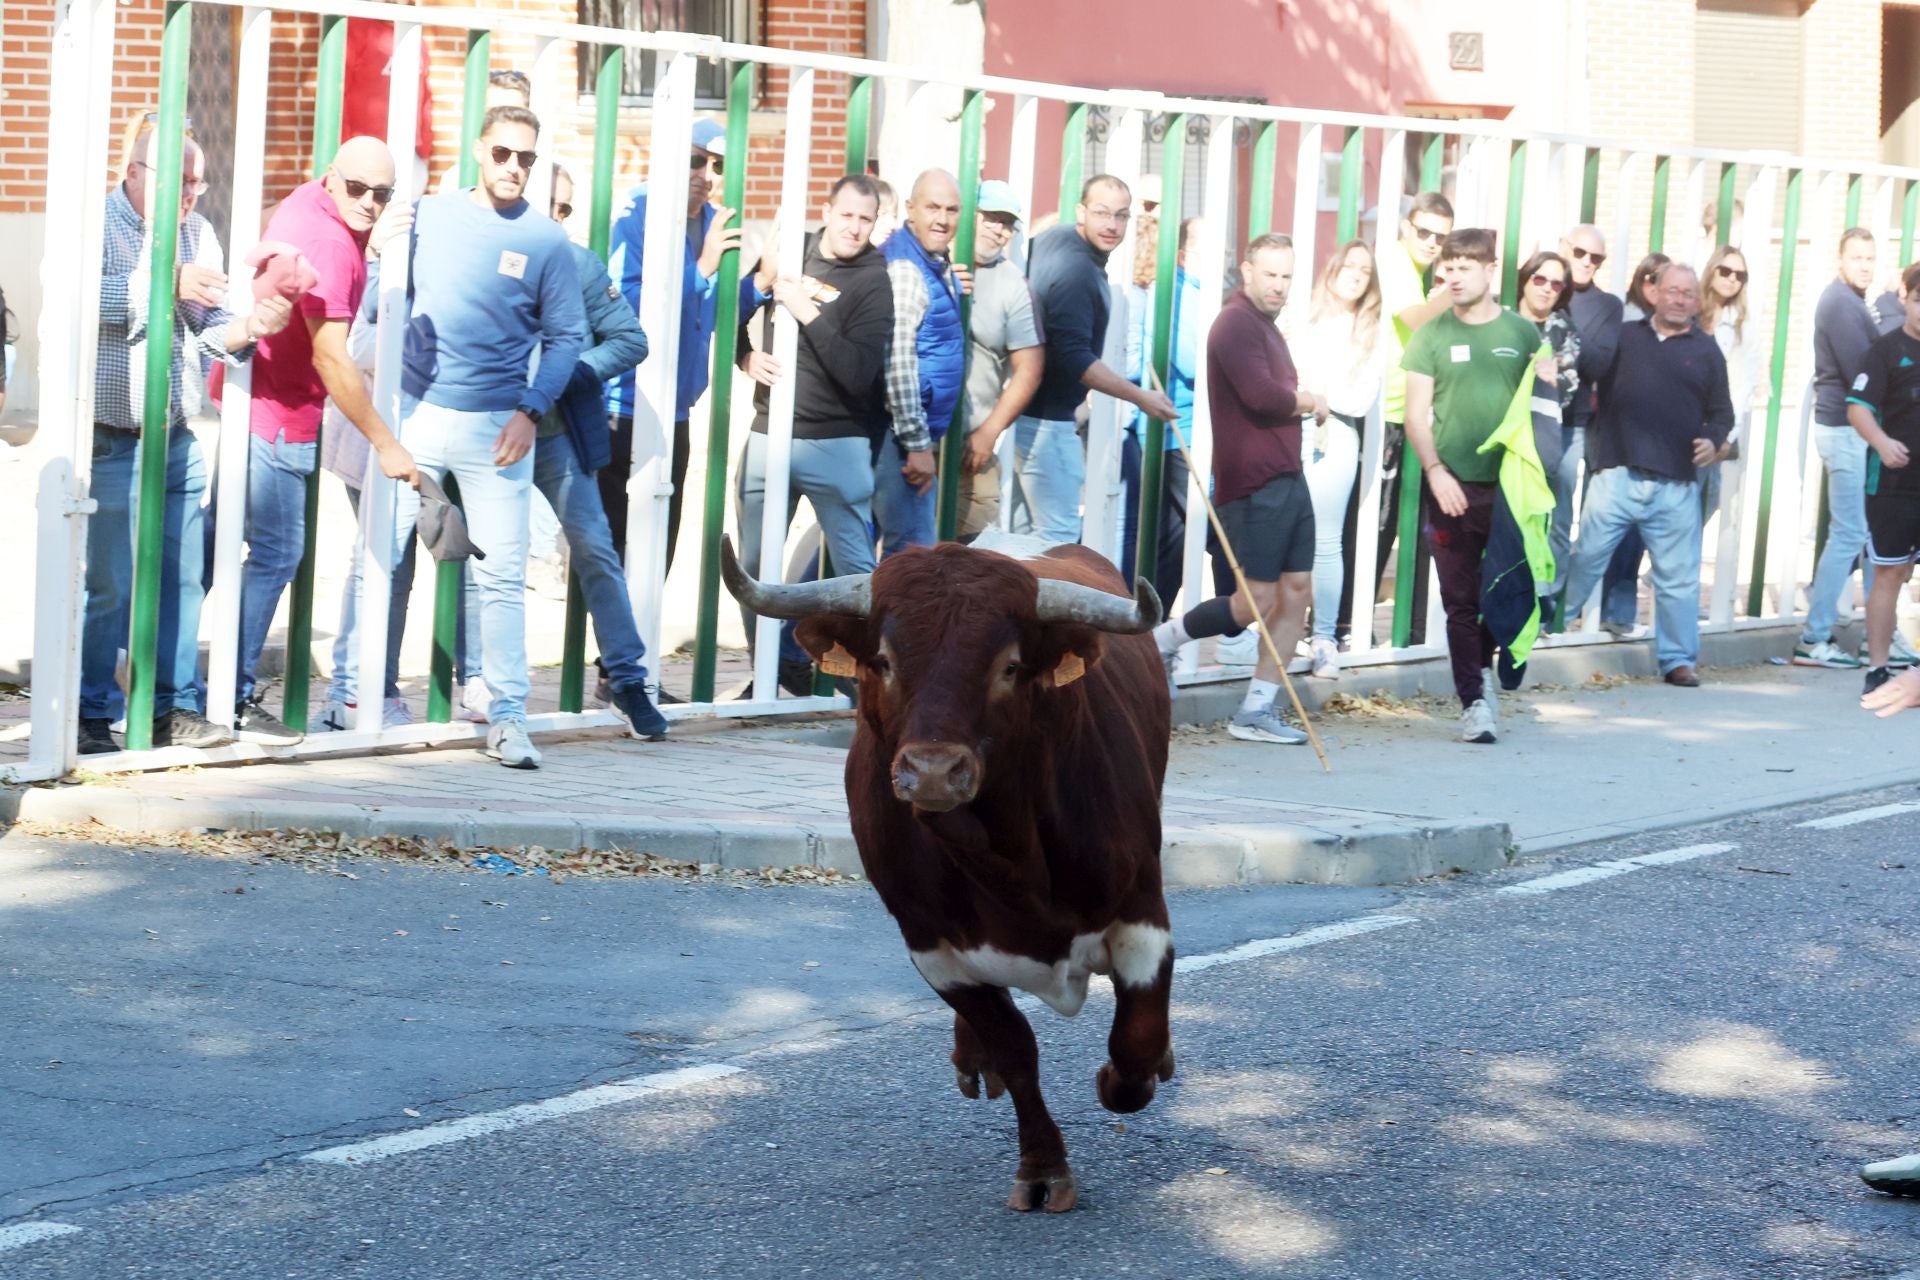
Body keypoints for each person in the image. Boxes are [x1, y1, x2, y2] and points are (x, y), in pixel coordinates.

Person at [78, 127, 294, 756]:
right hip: (110, 435)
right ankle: (92, 712)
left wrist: (254, 324)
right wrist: (165, 282)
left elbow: (210, 328)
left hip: (174, 434)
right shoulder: (96, 223)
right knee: (111, 585)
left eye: (198, 182)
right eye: (179, 181)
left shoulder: (198, 232)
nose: (191, 195)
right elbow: (82, 299)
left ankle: (171, 707)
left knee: (181, 579)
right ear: (134, 171)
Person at [390, 104, 585, 769]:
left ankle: (507, 720)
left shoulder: (545, 240)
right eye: (502, 153)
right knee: (381, 558)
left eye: (526, 157)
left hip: (497, 427)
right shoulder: (430, 215)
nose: (513, 166)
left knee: (501, 575)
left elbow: (568, 337)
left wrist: (531, 409)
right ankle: (355, 698)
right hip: (417, 413)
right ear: (479, 150)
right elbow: (383, 291)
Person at [230, 136, 416, 747]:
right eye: (357, 189)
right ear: (332, 177)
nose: (368, 203)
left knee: (210, 546)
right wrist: (386, 443)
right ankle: (230, 695)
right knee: (277, 553)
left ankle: (166, 679)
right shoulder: (334, 246)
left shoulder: (308, 200)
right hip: (282, 414)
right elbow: (332, 359)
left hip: (251, 398)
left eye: (381, 194)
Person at [1150, 233, 1322, 745]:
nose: (1279, 285)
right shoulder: (1234, 323)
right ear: (1246, 271)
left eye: (1286, 276)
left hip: (1287, 476)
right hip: (1254, 482)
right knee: (1254, 600)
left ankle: (1256, 710)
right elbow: (1263, 396)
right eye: (1270, 274)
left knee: (1297, 592)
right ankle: (1163, 640)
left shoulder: (1265, 326)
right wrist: (1311, 399)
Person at [518, 187, 669, 738]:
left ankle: (626, 680)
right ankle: (479, 682)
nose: (551, 214)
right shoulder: (485, 253)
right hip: (489, 430)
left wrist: (571, 371)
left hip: (557, 434)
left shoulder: (579, 264)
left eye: (561, 206)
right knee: (483, 554)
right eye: (543, 202)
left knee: (596, 547)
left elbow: (630, 339)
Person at [733, 174, 893, 690]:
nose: (854, 228)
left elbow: (858, 371)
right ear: (826, 211)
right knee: (754, 568)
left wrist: (806, 310)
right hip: (768, 436)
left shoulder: (874, 279)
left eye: (865, 219)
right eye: (846, 215)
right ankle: (769, 676)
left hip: (837, 444)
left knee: (857, 580)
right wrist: (744, 355)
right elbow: (730, 310)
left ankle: (869, 689)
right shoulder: (792, 252)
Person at [1402, 228, 1544, 744]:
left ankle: (1484, 669)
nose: (1454, 277)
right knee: (1460, 600)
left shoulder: (1522, 334)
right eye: (1449, 267)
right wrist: (1436, 471)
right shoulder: (1430, 336)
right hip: (1452, 486)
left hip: (1509, 489)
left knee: (1498, 589)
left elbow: (1545, 406)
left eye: (1465, 267)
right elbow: (1415, 415)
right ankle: (1473, 701)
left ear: (1490, 270)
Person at [1562, 264, 1732, 688]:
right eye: (1672, 290)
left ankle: (1678, 661)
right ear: (1654, 293)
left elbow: (1722, 414)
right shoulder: (1623, 337)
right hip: (1617, 474)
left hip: (1676, 484)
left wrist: (1713, 440)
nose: (1679, 299)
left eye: (1687, 294)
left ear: (1696, 301)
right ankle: (1547, 626)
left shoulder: (1708, 351)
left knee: (1678, 580)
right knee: (1586, 559)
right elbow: (1589, 376)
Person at [605, 117, 739, 585]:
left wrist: (761, 285)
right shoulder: (638, 209)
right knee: (616, 548)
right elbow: (624, 301)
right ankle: (611, 636)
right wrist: (701, 268)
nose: (706, 175)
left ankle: (639, 633)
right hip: (626, 403)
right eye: (696, 160)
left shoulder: (716, 221)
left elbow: (717, 310)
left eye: (718, 166)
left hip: (676, 410)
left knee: (660, 548)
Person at [1023, 174, 1177, 546]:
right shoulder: (1077, 270)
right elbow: (1075, 357)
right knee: (1057, 542)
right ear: (1081, 211)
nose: (1111, 225)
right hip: (1047, 421)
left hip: (1026, 413)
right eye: (1102, 213)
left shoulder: (1054, 240)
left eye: (1121, 216)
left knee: (1024, 539)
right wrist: (1141, 397)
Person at [1292, 237, 1383, 678]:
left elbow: (1361, 398)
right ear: (1333, 268)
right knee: (1283, 534)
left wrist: (1316, 395)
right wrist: (1311, 394)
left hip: (1336, 434)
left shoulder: (1370, 330)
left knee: (1326, 541)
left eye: (1365, 271)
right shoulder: (1304, 317)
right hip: (1288, 428)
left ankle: (1324, 636)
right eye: (1350, 266)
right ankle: (1279, 630)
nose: (1355, 276)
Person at [1797, 228, 1885, 669]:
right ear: (1840, 260)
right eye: (1857, 258)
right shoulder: (1840, 304)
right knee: (1851, 533)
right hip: (1844, 428)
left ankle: (1879, 636)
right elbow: (1864, 372)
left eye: (1870, 258)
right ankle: (1813, 638)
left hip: (1853, 431)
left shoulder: (1852, 302)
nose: (1864, 266)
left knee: (1868, 537)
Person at [1375, 191, 1455, 643]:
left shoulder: (1419, 270)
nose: (1431, 243)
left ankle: (1412, 628)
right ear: (1406, 227)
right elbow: (1417, 320)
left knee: (1413, 526)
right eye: (1424, 232)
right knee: (1378, 525)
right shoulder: (1395, 262)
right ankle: (1343, 627)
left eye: (1441, 237)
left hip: (1411, 412)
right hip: (1387, 412)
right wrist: (1457, 290)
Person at [876, 168, 966, 556]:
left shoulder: (931, 262)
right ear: (910, 209)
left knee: (861, 548)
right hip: (899, 438)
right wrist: (916, 444)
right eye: (932, 207)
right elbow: (897, 362)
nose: (942, 219)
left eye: (951, 210)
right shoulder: (906, 270)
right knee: (913, 554)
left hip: (903, 434)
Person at [1843, 261, 1920, 696]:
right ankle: (1877, 667)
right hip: (1894, 487)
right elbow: (1857, 407)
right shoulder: (1885, 351)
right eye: (1919, 299)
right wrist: (1882, 442)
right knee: (1889, 574)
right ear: (1906, 299)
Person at [956, 180, 1044, 538]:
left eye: (1007, 223)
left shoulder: (1013, 284)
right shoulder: (931, 260)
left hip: (969, 444)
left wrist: (989, 432)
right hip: (909, 440)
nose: (999, 230)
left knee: (971, 554)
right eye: (991, 217)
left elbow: (1030, 369)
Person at [1550, 224, 1623, 626]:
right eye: (1579, 252)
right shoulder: (1542, 282)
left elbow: (1597, 363)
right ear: (1564, 247)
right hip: (1525, 420)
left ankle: (1550, 607)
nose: (1587, 262)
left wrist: (1561, 331)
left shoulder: (1606, 305)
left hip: (1572, 423)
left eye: (1596, 258)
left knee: (1561, 520)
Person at [1121, 216, 1197, 602]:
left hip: (1170, 426)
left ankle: (1154, 615)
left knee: (1174, 535)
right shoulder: (1165, 296)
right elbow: (1193, 361)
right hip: (1166, 428)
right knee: (1199, 524)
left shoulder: (1192, 292)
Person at [1698, 244, 1763, 517]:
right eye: (1725, 271)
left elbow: (1743, 386)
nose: (1732, 279)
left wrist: (1726, 435)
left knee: (1706, 499)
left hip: (1712, 426)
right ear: (1712, 271)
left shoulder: (1743, 326)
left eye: (1740, 275)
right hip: (1679, 419)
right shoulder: (1691, 313)